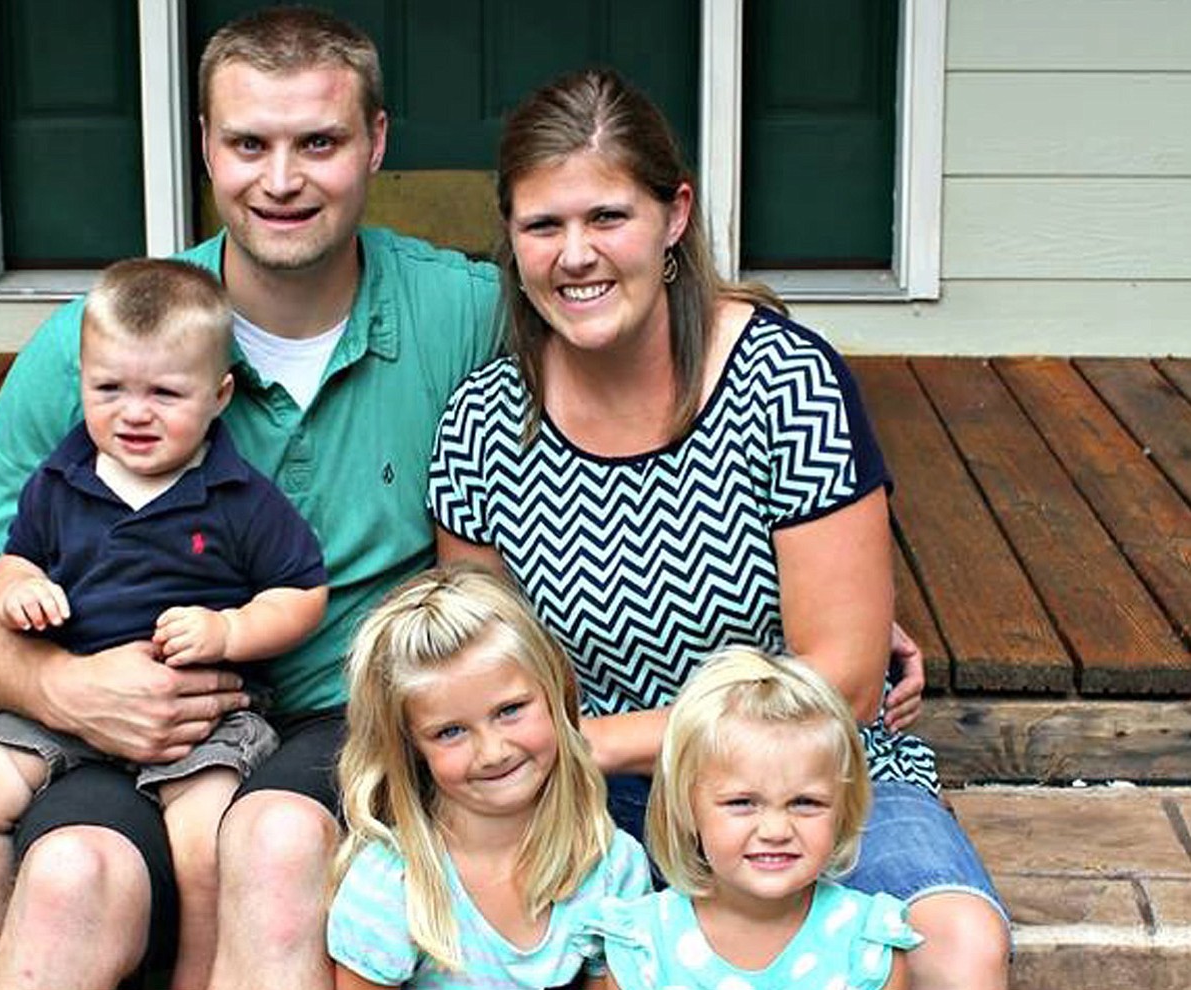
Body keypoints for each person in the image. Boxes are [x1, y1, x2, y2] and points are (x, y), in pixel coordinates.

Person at [0, 8, 500, 989]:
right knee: (66, 875)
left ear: (377, 142)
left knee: (275, 856)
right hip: (123, 707)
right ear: (203, 147)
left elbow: (616, 294)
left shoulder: (464, 311)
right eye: (247, 144)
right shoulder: (104, 337)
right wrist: (65, 691)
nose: (280, 180)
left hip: (335, 719)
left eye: (318, 141)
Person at [427, 69, 1008, 990]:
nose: (575, 254)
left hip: (800, 772)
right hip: (580, 793)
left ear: (675, 216)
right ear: (511, 239)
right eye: (544, 226)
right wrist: (568, 761)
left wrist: (603, 738)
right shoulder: (484, 422)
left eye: (607, 217)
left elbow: (848, 680)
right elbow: (476, 665)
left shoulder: (785, 383)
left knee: (954, 946)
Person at [0, 259, 328, 990]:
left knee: (207, 836)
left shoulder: (237, 495)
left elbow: (301, 593)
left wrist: (228, 633)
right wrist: (19, 589)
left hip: (200, 721)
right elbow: (13, 557)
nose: (134, 413)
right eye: (109, 389)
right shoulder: (61, 480)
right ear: (83, 382)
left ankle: (198, 969)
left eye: (164, 393)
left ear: (219, 395)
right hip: (71, 696)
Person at [328, 565, 651, 989]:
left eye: (510, 710)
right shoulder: (389, 888)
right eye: (450, 732)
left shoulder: (610, 864)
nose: (493, 752)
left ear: (556, 694)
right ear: (412, 748)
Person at [584, 647, 921, 990]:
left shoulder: (865, 944)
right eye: (742, 802)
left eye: (805, 802)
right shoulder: (645, 944)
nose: (775, 830)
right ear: (686, 810)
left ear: (843, 811)